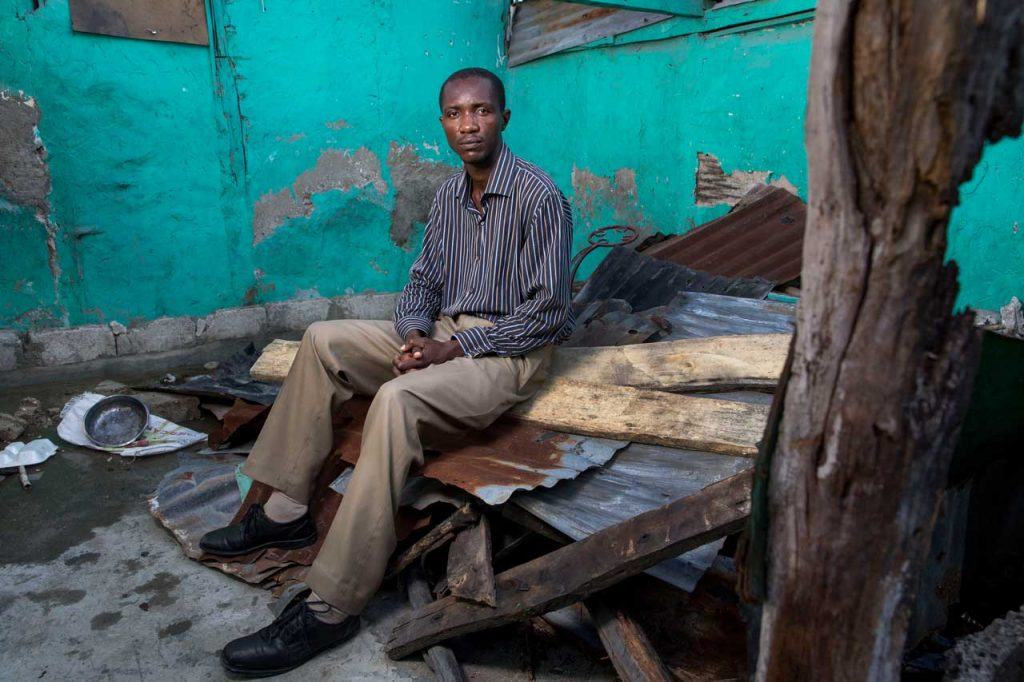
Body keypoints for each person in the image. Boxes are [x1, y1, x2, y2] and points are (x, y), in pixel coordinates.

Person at [200, 66, 575, 677]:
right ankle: (284, 515)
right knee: (321, 339)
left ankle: (333, 604)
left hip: (508, 352)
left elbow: (550, 313)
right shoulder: (451, 195)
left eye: (481, 110)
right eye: (455, 113)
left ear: (505, 117)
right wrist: (414, 335)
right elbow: (424, 279)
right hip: (446, 334)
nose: (469, 124)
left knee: (396, 402)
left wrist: (453, 351)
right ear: (443, 123)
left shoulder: (540, 196)